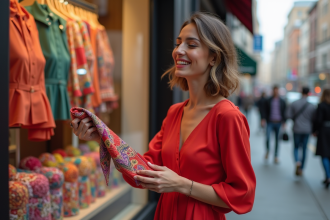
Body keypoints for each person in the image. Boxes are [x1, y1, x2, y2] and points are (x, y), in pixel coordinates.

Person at [71, 12, 256, 219]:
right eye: (178, 44)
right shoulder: (175, 112)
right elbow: (142, 172)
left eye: (191, 45)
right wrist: (102, 137)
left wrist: (181, 184)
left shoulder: (228, 117)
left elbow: (242, 194)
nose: (179, 51)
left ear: (214, 57)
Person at [287, 87, 315, 176]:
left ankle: (297, 162)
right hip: (307, 130)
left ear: (301, 92)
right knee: (304, 149)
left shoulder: (294, 103)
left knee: (296, 147)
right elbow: (314, 119)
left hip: (297, 129)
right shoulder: (312, 106)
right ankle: (302, 168)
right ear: (309, 93)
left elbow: (288, 115)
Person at [261, 85, 286, 163]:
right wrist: (263, 119)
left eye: (277, 90)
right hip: (270, 122)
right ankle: (268, 151)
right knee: (267, 138)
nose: (276, 91)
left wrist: (284, 122)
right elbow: (264, 110)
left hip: (278, 123)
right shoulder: (268, 100)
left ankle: (276, 156)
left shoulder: (282, 101)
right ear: (273, 91)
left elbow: (284, 112)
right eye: (275, 90)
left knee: (277, 140)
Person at [313, 87, 330, 189]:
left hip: (324, 130)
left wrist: (315, 130)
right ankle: (327, 176)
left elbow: (318, 120)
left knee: (324, 154)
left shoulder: (321, 105)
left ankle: (328, 176)